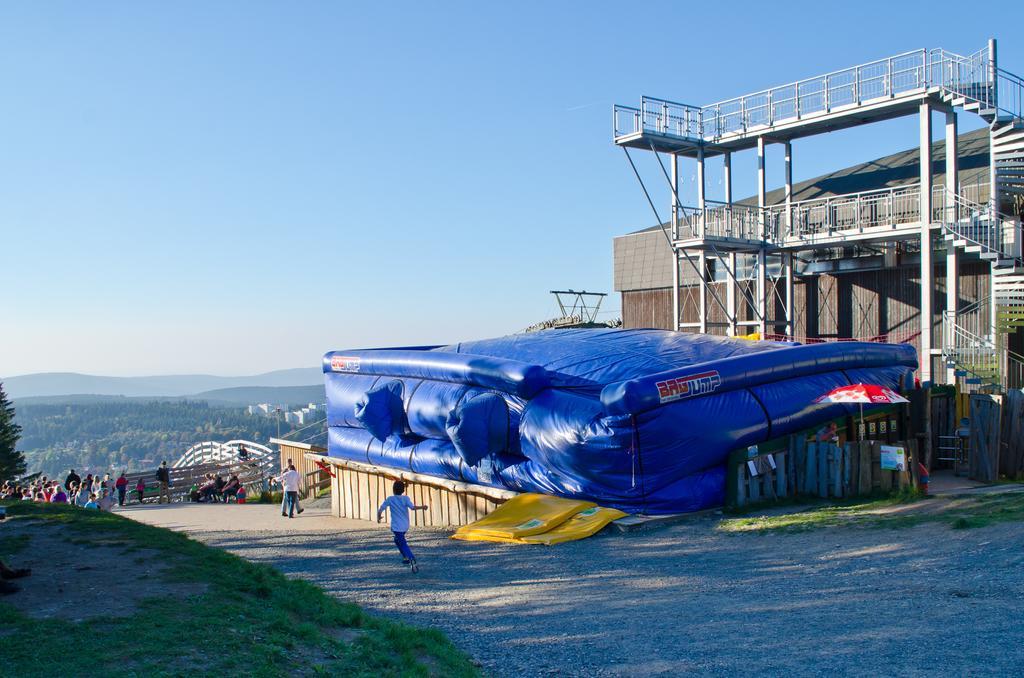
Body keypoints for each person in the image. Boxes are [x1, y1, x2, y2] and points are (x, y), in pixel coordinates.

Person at [377, 481, 428, 573]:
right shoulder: (405, 498)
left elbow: (381, 508)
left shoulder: (390, 499)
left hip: (396, 527)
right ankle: (405, 557)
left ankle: (411, 558)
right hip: (405, 525)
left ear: (393, 490)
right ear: (403, 490)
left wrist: (378, 516)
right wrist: (422, 507)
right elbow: (412, 508)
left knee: (403, 543)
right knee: (397, 540)